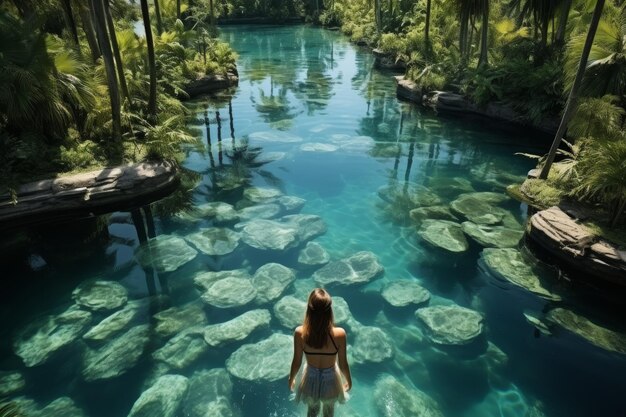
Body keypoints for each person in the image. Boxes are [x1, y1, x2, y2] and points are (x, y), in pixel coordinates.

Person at [288, 288, 352, 417]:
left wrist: (291, 378)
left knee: (312, 412)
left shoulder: (300, 333)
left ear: (309, 311)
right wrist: (349, 381)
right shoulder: (339, 334)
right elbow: (343, 364)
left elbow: (297, 361)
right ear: (329, 312)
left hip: (310, 377)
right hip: (331, 378)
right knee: (329, 412)